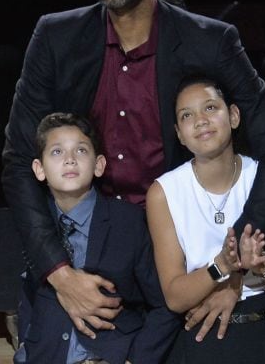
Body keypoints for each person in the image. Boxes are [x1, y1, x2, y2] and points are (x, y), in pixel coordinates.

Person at [1, 0, 265, 339]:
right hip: (93, 248)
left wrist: (233, 269)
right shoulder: (56, 37)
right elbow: (19, 162)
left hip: (186, 248)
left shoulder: (209, 41)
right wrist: (59, 273)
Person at [146, 76, 265, 363]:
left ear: (233, 116)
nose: (200, 121)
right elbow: (174, 296)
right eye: (187, 115)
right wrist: (220, 266)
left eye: (210, 108)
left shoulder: (264, 176)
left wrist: (261, 265)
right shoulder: (164, 193)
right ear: (179, 134)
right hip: (206, 333)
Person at [14, 112, 177, 364]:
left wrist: (137, 359)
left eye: (80, 151)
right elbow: (28, 292)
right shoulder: (34, 223)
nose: (69, 160)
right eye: (57, 152)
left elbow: (164, 303)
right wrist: (26, 347)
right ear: (39, 169)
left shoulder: (128, 221)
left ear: (99, 164)